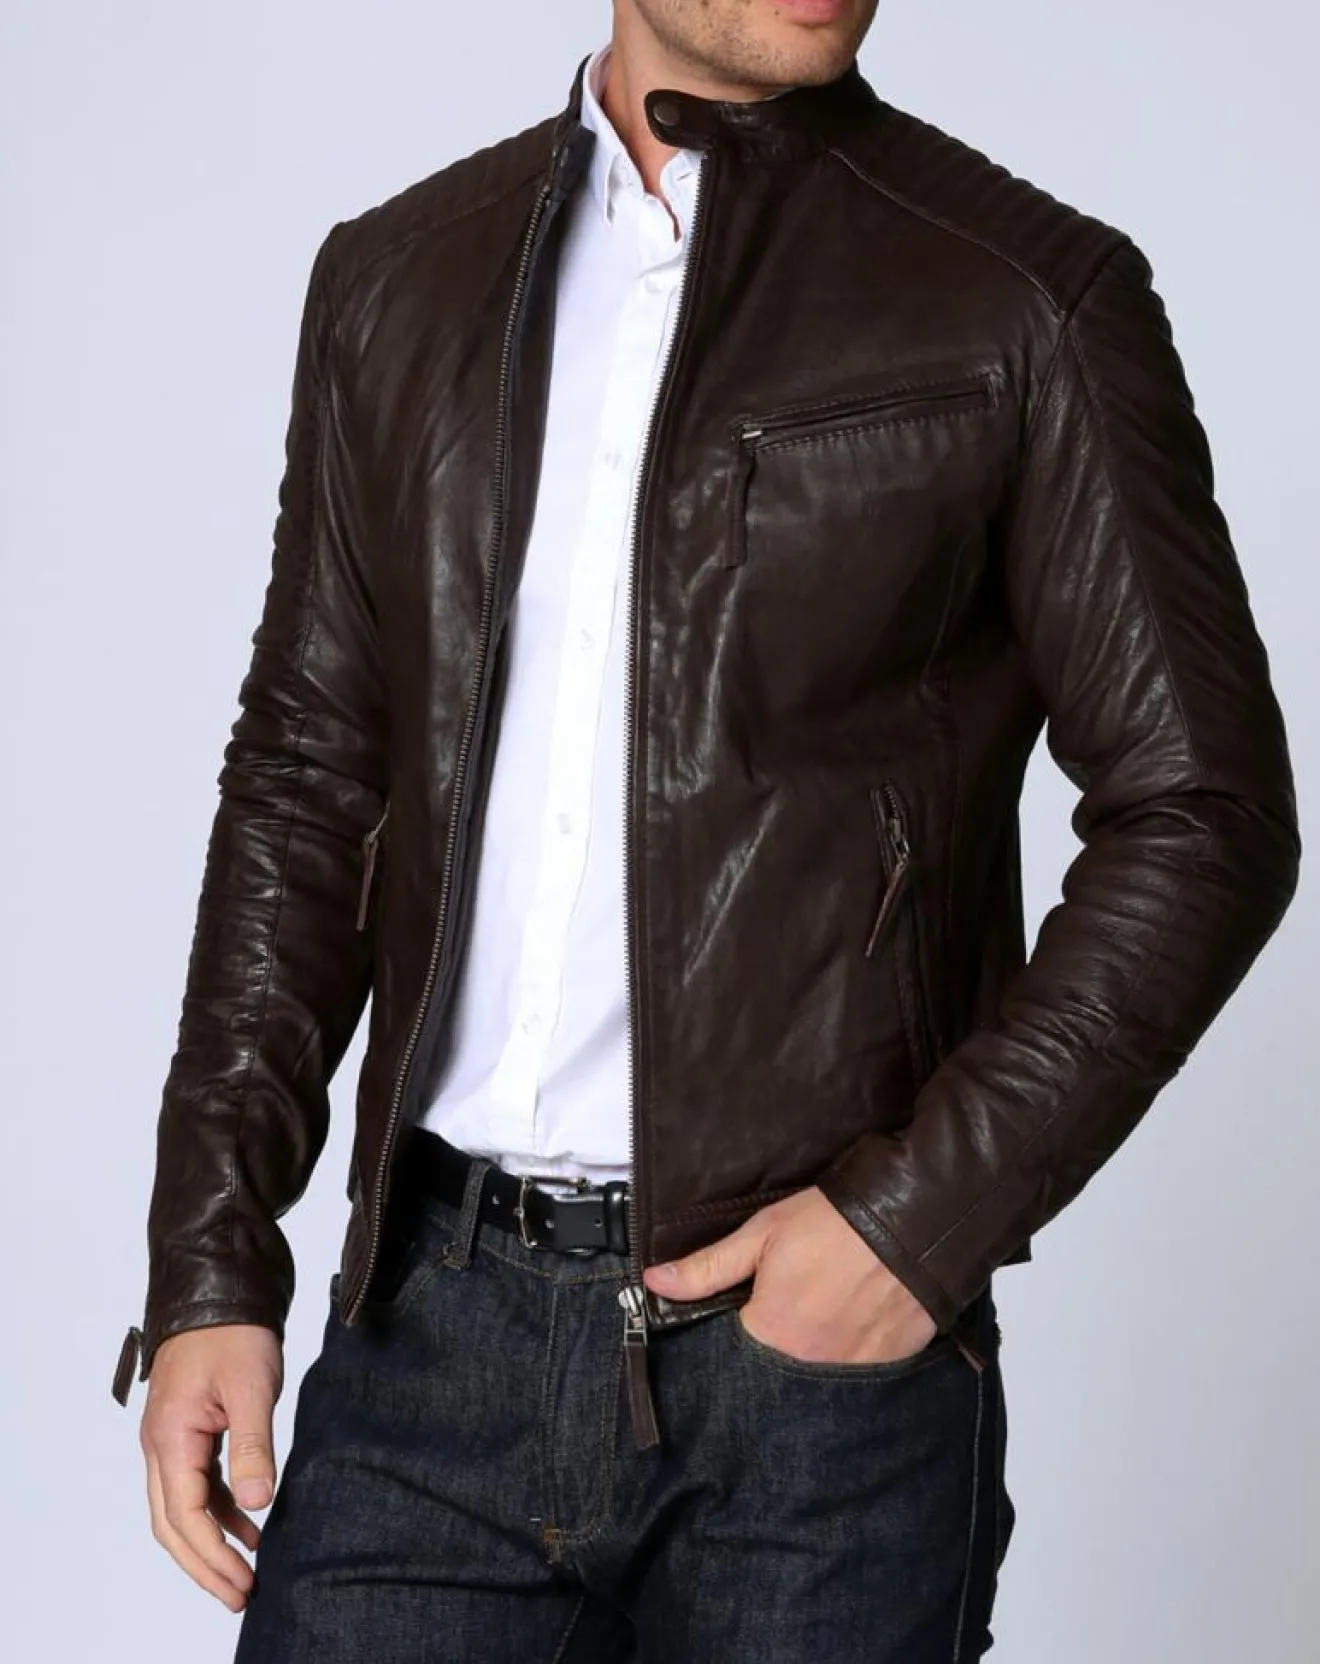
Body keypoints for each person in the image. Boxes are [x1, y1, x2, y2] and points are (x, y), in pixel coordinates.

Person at [113, 1, 1301, 1658]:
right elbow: (308, 779)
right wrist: (212, 1260)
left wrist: (910, 1230)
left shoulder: (1025, 294)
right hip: (428, 1336)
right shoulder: (397, 280)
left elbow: (1207, 809)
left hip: (814, 1401)